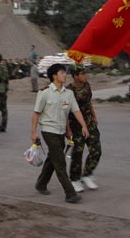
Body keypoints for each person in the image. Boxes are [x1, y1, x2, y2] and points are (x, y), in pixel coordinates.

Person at [31, 63, 89, 204]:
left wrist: (83, 126)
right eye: (62, 73)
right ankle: (70, 194)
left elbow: (74, 111)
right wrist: (33, 132)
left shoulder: (68, 94)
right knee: (60, 162)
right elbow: (36, 113)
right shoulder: (44, 93)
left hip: (61, 131)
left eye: (64, 72)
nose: (65, 75)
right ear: (54, 76)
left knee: (53, 158)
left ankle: (41, 184)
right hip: (48, 131)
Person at [67, 66, 101, 192]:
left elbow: (89, 102)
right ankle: (74, 179)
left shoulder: (86, 85)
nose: (85, 75)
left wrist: (94, 116)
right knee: (78, 153)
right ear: (75, 76)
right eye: (82, 73)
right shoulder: (69, 90)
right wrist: (68, 129)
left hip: (89, 123)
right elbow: (65, 111)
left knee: (96, 150)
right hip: (76, 126)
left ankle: (87, 174)